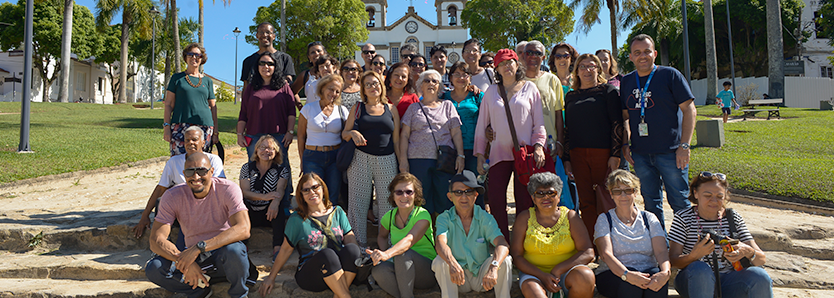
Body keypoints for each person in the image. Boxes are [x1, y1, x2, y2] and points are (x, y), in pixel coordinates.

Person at [145, 152, 252, 298]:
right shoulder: (172, 196)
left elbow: (243, 229)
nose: (196, 177)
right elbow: (155, 240)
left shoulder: (228, 189)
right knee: (154, 268)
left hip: (222, 254)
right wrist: (183, 261)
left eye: (202, 171)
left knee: (234, 250)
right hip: (194, 257)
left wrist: (199, 247)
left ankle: (239, 294)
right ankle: (197, 290)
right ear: (184, 174)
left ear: (212, 172)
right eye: (190, 172)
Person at [621, 34, 697, 228]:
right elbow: (625, 117)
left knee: (679, 201)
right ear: (630, 57)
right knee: (650, 203)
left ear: (655, 54)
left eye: (647, 51)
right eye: (637, 52)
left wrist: (685, 145)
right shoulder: (627, 81)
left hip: (671, 152)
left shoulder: (670, 75)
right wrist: (626, 144)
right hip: (641, 153)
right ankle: (659, 245)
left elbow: (689, 109)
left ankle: (688, 246)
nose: (642, 56)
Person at [474, 49, 547, 238]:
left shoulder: (530, 88)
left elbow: (538, 122)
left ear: (517, 64)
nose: (507, 66)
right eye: (502, 64)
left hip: (524, 154)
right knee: (497, 200)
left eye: (510, 62)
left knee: (524, 201)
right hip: (498, 153)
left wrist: (539, 146)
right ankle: (502, 243)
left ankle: (523, 242)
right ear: (496, 69)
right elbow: (482, 125)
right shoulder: (490, 92)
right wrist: (480, 154)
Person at [669, 171, 772, 298]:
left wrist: (747, 251)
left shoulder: (733, 217)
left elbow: (761, 259)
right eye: (708, 195)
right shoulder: (684, 217)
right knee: (701, 269)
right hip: (693, 278)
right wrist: (693, 256)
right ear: (695, 193)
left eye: (719, 196)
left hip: (728, 280)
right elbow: (673, 261)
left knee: (759, 276)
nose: (714, 200)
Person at [259, 173, 361, 298]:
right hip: (312, 274)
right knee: (327, 254)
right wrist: (271, 277)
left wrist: (356, 258)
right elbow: (285, 249)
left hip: (339, 270)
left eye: (315, 187)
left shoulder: (338, 212)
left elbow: (349, 237)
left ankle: (338, 294)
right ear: (301, 195)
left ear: (323, 188)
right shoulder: (297, 219)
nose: (312, 193)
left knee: (353, 249)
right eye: (306, 190)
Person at [563, 53, 624, 240]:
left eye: (592, 66)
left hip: (603, 154)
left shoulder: (608, 91)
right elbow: (567, 129)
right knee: (586, 201)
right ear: (576, 72)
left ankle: (613, 242)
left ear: (598, 69)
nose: (587, 70)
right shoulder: (570, 96)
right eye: (582, 67)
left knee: (608, 199)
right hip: (578, 154)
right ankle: (593, 242)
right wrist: (567, 159)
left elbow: (617, 124)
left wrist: (615, 154)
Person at [511, 172, 595, 298]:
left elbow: (588, 252)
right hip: (534, 276)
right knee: (533, 290)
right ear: (533, 198)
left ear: (559, 196)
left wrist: (559, 269)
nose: (546, 197)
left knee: (585, 276)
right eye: (540, 193)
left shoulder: (570, 217)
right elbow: (517, 256)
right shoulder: (524, 218)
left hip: (567, 274)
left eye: (551, 193)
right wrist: (542, 276)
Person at [133, 126, 226, 239]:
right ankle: (160, 242)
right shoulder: (174, 162)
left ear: (203, 142)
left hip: (206, 208)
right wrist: (145, 216)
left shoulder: (213, 160)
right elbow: (160, 189)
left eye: (194, 139)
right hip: (182, 209)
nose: (190, 143)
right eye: (187, 140)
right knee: (161, 201)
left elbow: (219, 187)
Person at [341, 71, 401, 246]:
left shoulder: (391, 109)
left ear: (381, 86)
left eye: (375, 83)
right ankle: (358, 246)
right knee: (357, 205)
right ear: (363, 89)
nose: (372, 87)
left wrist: (401, 162)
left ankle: (388, 245)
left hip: (387, 159)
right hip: (361, 159)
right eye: (368, 84)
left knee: (388, 204)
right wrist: (352, 133)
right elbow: (344, 134)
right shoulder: (358, 108)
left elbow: (396, 139)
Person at [433, 170, 513, 298]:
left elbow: (502, 243)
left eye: (469, 192)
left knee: (505, 261)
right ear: (450, 196)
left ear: (475, 196)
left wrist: (493, 267)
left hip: (482, 277)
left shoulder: (485, 217)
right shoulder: (444, 218)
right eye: (458, 192)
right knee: (440, 262)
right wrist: (452, 263)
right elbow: (440, 243)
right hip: (457, 277)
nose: (464, 197)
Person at [594, 170, 670, 298]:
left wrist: (665, 272)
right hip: (614, 273)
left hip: (647, 270)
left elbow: (661, 251)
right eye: (617, 191)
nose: (623, 195)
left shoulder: (649, 218)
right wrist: (627, 275)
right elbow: (606, 255)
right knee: (630, 285)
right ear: (611, 194)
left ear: (635, 192)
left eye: (628, 190)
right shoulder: (604, 219)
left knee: (658, 283)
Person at [400, 70, 464, 215]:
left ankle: (443, 234)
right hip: (418, 160)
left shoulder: (448, 106)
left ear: (440, 86)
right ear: (420, 86)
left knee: (445, 199)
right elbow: (404, 135)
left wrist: (461, 155)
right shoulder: (413, 108)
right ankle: (424, 234)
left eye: (434, 81)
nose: (431, 83)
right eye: (427, 80)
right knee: (422, 200)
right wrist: (403, 160)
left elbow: (456, 132)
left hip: (444, 161)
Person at [367, 173, 438, 298]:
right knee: (378, 270)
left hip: (427, 271)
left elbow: (409, 240)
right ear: (393, 195)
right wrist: (382, 254)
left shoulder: (422, 215)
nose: (404, 196)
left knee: (403, 254)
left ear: (415, 194)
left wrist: (387, 253)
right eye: (399, 192)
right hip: (402, 270)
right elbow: (382, 236)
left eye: (409, 192)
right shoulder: (388, 217)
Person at [236, 52, 296, 163]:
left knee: (281, 170)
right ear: (257, 66)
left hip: (279, 136)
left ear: (275, 67)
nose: (266, 67)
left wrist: (290, 132)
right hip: (254, 135)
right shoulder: (251, 88)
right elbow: (243, 112)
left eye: (270, 63)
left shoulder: (284, 86)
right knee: (255, 170)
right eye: (262, 63)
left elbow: (291, 111)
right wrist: (240, 134)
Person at [298, 74, 349, 206]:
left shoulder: (342, 110)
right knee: (313, 193)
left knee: (332, 194)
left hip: (334, 156)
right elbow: (301, 136)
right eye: (330, 89)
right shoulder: (308, 108)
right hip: (312, 156)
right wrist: (302, 159)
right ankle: (313, 223)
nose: (334, 93)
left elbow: (347, 132)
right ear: (322, 88)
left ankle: (330, 224)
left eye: (337, 91)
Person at [238, 135, 290, 257]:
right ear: (256, 150)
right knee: (241, 205)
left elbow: (280, 189)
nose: (266, 151)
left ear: (276, 152)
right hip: (250, 211)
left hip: (269, 213)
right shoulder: (247, 168)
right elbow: (244, 192)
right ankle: (242, 245)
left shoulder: (281, 170)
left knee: (280, 206)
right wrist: (265, 197)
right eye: (262, 147)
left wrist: (275, 202)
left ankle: (277, 249)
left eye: (270, 148)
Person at [163, 43, 218, 156]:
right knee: (179, 161)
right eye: (190, 54)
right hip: (180, 125)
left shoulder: (208, 81)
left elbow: (213, 107)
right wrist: (166, 127)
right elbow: (168, 104)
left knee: (201, 162)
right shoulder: (177, 78)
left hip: (204, 126)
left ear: (202, 59)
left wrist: (216, 132)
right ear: (185, 57)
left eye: (198, 55)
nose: (194, 57)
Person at [522, 40, 565, 156]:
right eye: (529, 52)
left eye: (538, 53)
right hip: (523, 144)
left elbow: (558, 114)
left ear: (543, 57)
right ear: (523, 55)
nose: (533, 56)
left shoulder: (553, 80)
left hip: (549, 145)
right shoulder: (516, 81)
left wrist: (560, 142)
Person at [441, 62, 483, 181]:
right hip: (450, 149)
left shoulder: (477, 96)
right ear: (450, 78)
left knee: (474, 185)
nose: (461, 78)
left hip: (474, 149)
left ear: (470, 78)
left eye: (465, 74)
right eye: (457, 74)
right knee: (452, 186)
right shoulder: (443, 97)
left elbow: (487, 120)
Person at [240, 22, 295, 93]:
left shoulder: (285, 58)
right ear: (257, 36)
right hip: (256, 101)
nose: (264, 35)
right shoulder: (248, 61)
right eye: (261, 32)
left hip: (278, 100)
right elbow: (245, 87)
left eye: (268, 32)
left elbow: (288, 83)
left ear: (274, 36)